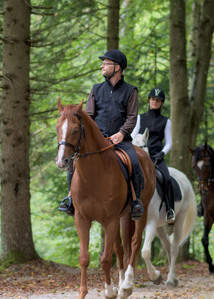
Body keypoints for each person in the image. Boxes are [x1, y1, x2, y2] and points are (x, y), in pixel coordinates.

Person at [58, 49, 144, 220]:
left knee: (134, 161)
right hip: (97, 141)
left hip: (120, 140)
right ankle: (70, 198)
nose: (102, 66)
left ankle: (135, 201)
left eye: (105, 63)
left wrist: (121, 134)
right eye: (102, 63)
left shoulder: (130, 91)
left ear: (117, 67)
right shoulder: (96, 89)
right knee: (75, 163)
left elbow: (132, 117)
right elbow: (89, 116)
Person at [131, 88, 175, 224]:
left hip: (157, 157)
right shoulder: (140, 118)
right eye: (153, 99)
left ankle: (169, 210)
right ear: (149, 100)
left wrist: (161, 154)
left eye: (158, 100)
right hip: (140, 155)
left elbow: (169, 142)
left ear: (161, 103)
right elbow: (132, 135)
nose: (155, 102)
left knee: (167, 179)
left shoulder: (166, 121)